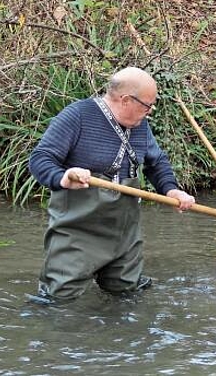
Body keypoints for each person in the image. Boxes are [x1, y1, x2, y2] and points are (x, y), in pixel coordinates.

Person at [28, 67, 195, 303]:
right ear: (126, 100)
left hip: (125, 233)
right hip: (77, 231)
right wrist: (64, 177)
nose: (149, 112)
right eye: (147, 105)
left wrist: (171, 189)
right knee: (59, 302)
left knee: (127, 297)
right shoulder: (77, 116)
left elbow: (157, 162)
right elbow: (40, 159)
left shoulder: (140, 126)